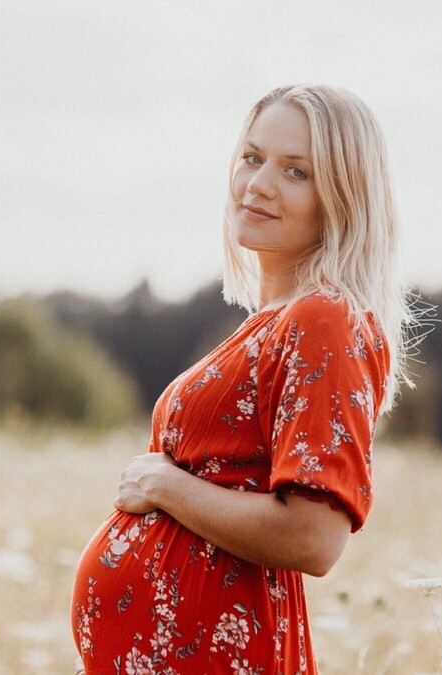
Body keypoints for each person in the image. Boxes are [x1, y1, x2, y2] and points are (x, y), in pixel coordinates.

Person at [71, 83, 413, 674]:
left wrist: (165, 486)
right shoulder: (277, 322)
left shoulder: (324, 320)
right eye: (253, 158)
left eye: (296, 171)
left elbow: (314, 537)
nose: (258, 184)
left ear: (343, 198)